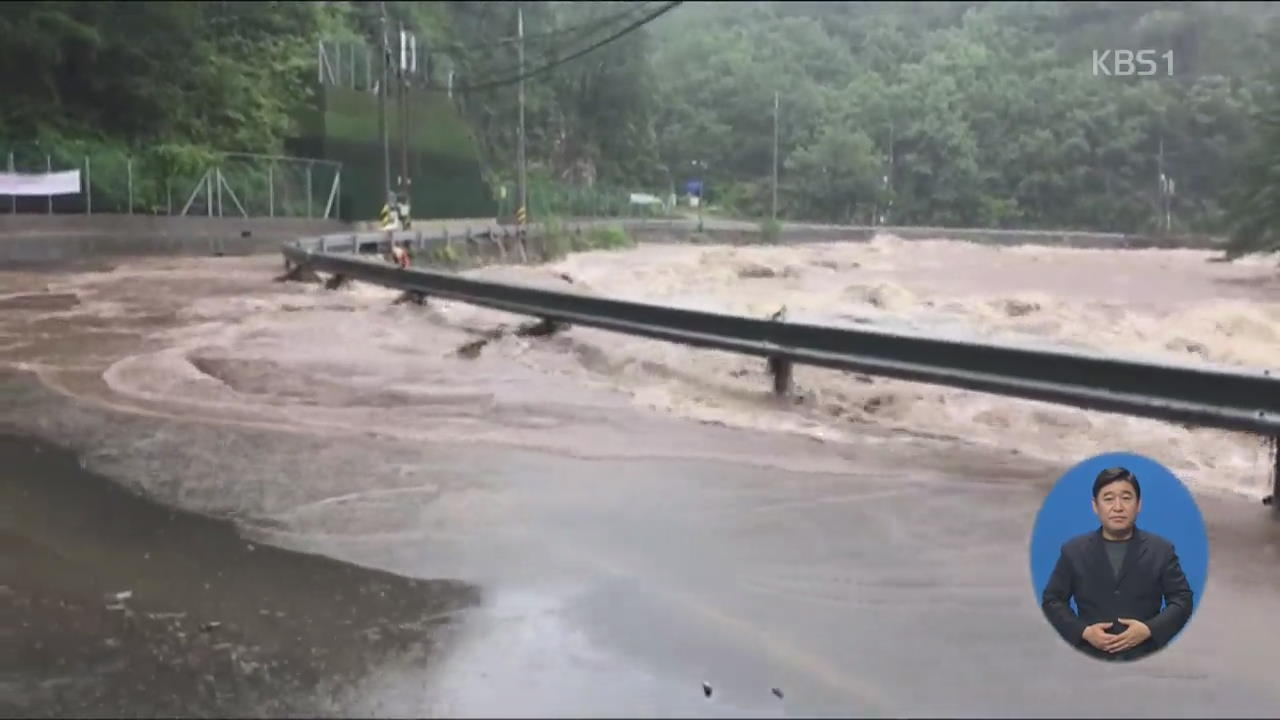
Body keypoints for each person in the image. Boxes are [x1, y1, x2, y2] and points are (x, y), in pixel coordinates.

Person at [1041, 466, 1194, 661]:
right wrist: (1084, 632)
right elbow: (1052, 600)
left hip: (1147, 658)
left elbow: (1182, 599)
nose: (1118, 507)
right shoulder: (1073, 550)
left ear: (1138, 505)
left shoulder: (1161, 550)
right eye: (1108, 499)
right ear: (1095, 506)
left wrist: (1149, 629)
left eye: (1126, 498)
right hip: (1086, 658)